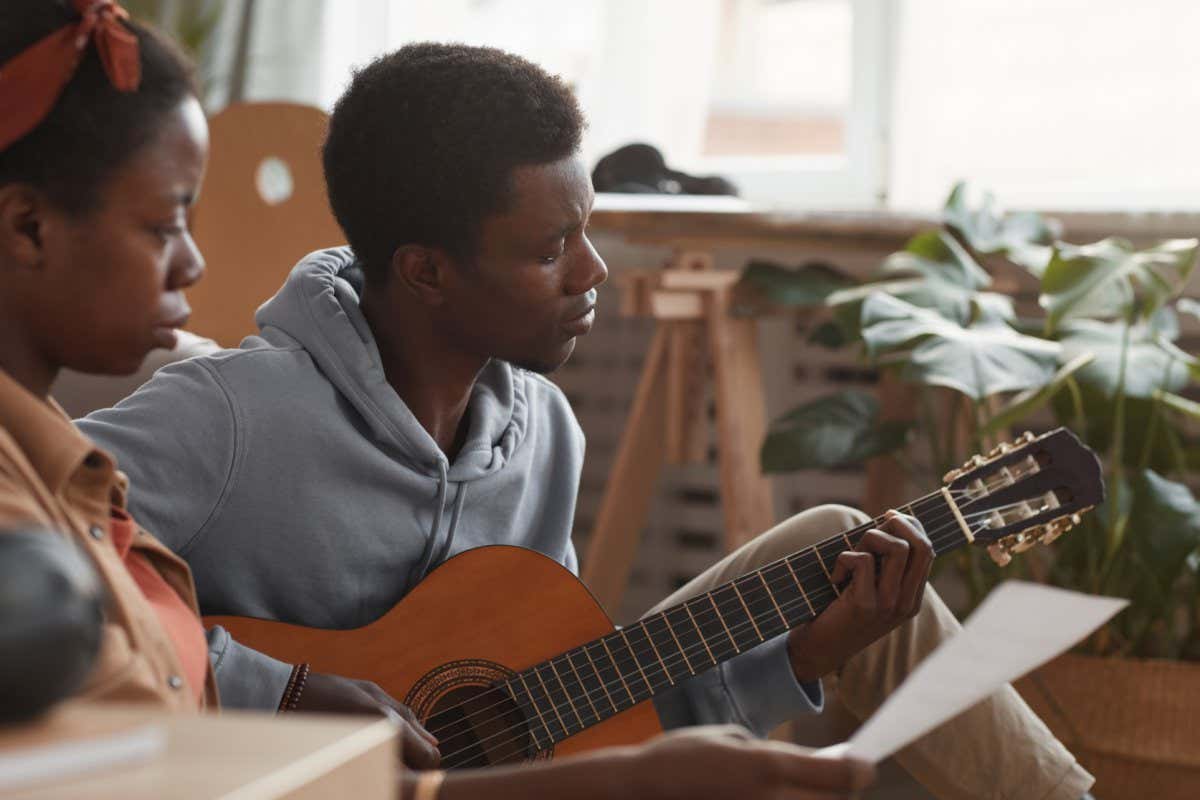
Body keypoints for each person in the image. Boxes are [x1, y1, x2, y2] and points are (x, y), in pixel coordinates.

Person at [75, 41, 1097, 800]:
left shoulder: (544, 430)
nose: (593, 272)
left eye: (590, 230)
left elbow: (563, 722)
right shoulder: (234, 416)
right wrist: (280, 688)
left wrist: (813, 650)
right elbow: (33, 564)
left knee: (841, 544)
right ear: (427, 271)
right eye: (552, 245)